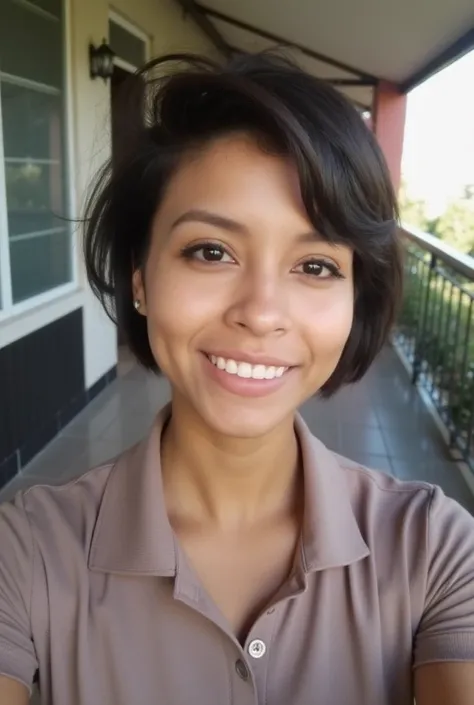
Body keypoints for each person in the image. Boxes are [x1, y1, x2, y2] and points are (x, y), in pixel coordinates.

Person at [0, 52, 473, 705]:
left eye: (314, 265)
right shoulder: (27, 551)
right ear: (140, 277)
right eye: (211, 251)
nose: (260, 312)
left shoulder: (436, 546)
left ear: (354, 296)